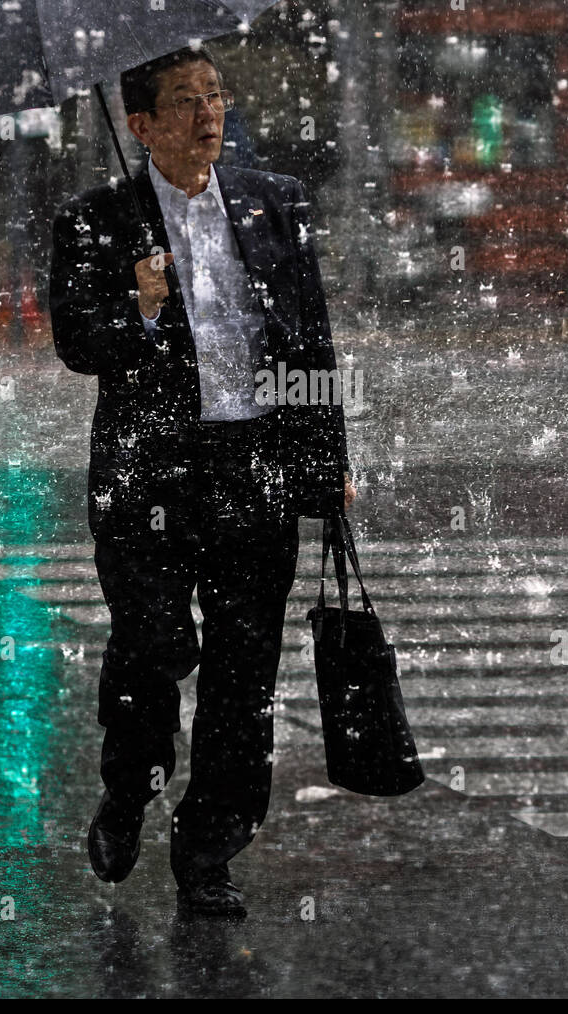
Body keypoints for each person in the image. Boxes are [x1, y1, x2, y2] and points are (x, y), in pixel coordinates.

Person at [49, 45, 356, 919]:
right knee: (153, 652)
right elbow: (78, 344)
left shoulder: (274, 202)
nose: (207, 114)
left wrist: (323, 459)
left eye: (215, 96)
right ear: (140, 124)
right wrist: (141, 306)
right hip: (149, 472)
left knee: (242, 672)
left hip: (251, 463)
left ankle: (211, 845)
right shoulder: (96, 219)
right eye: (184, 102)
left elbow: (311, 343)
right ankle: (128, 790)